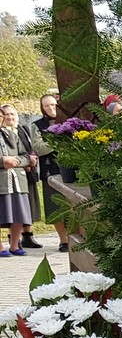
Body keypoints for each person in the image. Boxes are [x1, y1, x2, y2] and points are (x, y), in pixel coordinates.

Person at [1, 104, 47, 257]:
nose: (5, 118)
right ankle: (0, 247)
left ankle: (15, 245)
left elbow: (26, 155)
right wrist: (3, 161)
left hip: (18, 181)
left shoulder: (13, 134)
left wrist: (16, 161)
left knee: (18, 214)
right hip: (1, 181)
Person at [20, 93, 63, 251]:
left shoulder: (69, 120)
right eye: (47, 106)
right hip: (50, 169)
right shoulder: (38, 125)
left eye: (53, 104)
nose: (51, 108)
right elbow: (39, 148)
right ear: (42, 108)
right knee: (55, 206)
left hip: (70, 168)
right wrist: (59, 140)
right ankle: (63, 240)